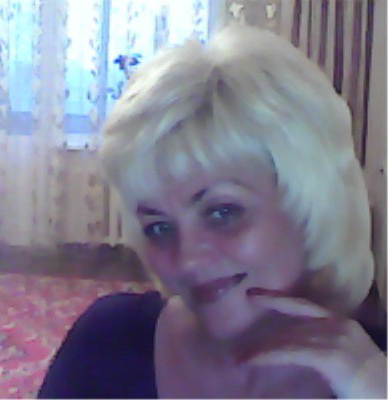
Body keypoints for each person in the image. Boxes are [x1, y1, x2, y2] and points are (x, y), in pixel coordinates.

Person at [38, 24, 387, 398]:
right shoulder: (106, 343)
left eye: (222, 212)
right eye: (159, 227)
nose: (187, 260)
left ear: (307, 200)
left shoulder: (377, 370)